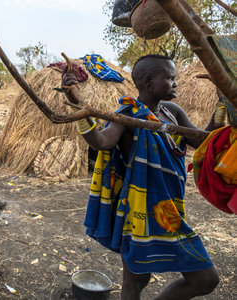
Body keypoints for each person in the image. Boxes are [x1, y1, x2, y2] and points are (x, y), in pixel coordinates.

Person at [62, 54, 220, 299]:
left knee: (204, 280)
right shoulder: (129, 115)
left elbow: (203, 141)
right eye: (170, 78)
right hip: (140, 215)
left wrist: (222, 106)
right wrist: (78, 107)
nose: (176, 83)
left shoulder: (173, 112)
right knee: (138, 283)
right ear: (149, 82)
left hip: (170, 212)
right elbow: (101, 142)